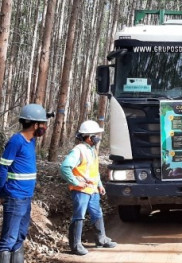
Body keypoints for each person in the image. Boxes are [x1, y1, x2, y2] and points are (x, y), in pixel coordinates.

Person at [0, 104, 49, 263]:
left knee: (20, 236)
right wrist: (1, 193)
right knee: (8, 240)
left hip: (26, 197)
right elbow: (3, 167)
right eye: (42, 124)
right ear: (35, 125)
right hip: (15, 197)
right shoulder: (16, 141)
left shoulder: (31, 141)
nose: (44, 127)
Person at [60, 120, 116, 256]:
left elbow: (94, 170)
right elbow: (65, 167)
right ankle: (75, 245)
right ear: (89, 137)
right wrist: (76, 182)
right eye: (96, 135)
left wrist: (100, 185)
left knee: (97, 213)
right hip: (81, 191)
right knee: (79, 216)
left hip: (92, 190)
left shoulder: (92, 150)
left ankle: (101, 239)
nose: (98, 137)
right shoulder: (78, 150)